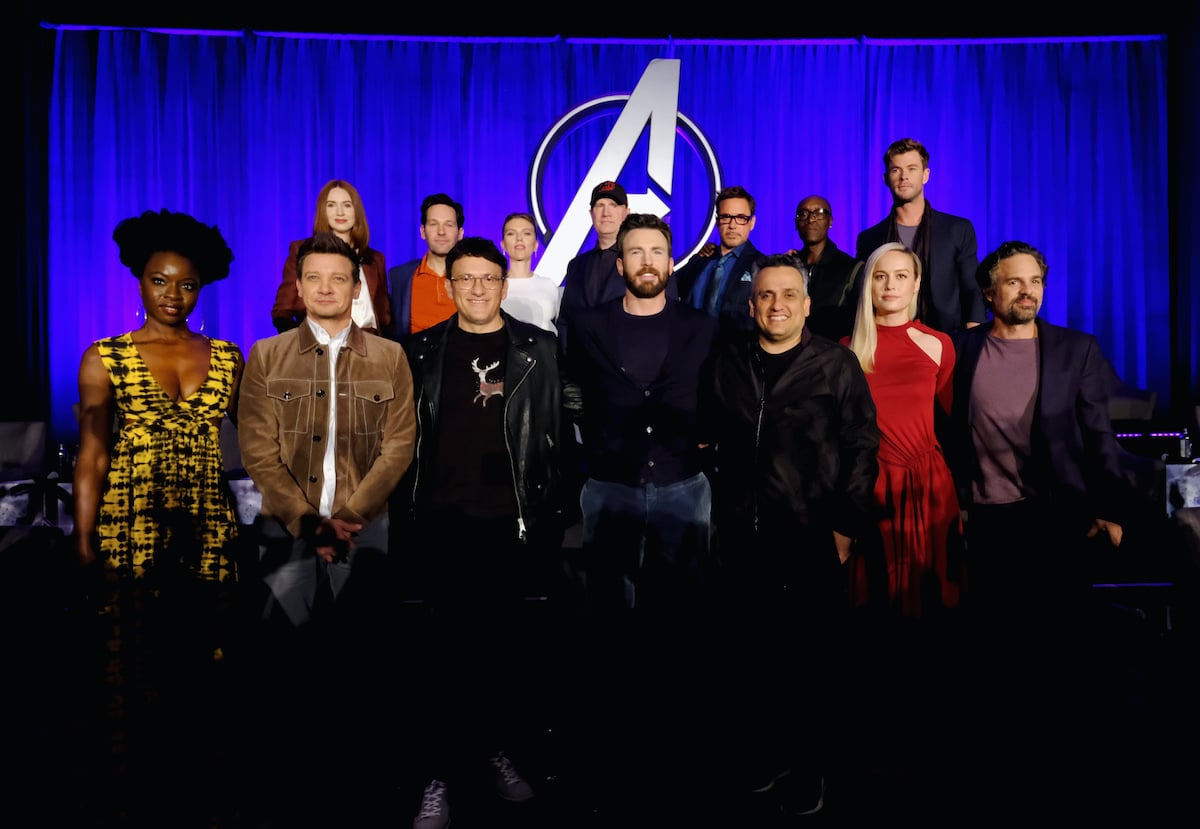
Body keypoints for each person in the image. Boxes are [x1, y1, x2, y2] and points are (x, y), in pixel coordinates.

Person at [944, 240, 1137, 813]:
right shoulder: (962, 347)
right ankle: (1001, 774)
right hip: (986, 519)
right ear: (989, 291)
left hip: (1055, 518)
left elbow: (1100, 436)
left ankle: (1063, 776)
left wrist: (1111, 508)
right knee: (996, 651)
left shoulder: (1076, 349)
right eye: (1013, 282)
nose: (1027, 292)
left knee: (1060, 649)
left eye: (1035, 281)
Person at [236, 231, 417, 826]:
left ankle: (362, 793)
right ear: (298, 284)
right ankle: (291, 793)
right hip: (287, 532)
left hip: (366, 533)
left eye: (338, 278)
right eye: (313, 277)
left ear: (356, 286)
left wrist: (350, 518)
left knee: (364, 666)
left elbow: (399, 446)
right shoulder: (267, 355)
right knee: (286, 670)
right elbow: (258, 451)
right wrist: (310, 521)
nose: (325, 288)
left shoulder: (390, 357)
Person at [73, 208, 243, 826]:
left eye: (187, 284)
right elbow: (92, 455)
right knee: (131, 661)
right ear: (140, 281)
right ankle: (132, 797)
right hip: (130, 524)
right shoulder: (106, 357)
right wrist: (84, 541)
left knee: (205, 659)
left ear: (202, 288)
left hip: (207, 526)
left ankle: (202, 792)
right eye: (160, 280)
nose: (173, 294)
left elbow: (259, 441)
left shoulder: (227, 357)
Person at [398, 236, 567, 829]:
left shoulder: (539, 349)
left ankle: (494, 752)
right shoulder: (420, 351)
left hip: (510, 528)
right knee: (441, 660)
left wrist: (551, 514)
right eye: (465, 278)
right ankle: (440, 774)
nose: (476, 288)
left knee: (500, 656)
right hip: (441, 526)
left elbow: (557, 433)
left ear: (503, 284)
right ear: (449, 285)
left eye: (487, 278)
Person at [706, 253, 879, 818]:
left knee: (811, 662)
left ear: (806, 305)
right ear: (751, 304)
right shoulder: (728, 361)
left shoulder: (835, 364)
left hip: (811, 536)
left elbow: (862, 446)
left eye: (788, 295)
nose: (776, 305)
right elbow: (708, 437)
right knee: (751, 658)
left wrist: (846, 526)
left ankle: (809, 769)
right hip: (743, 536)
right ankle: (763, 757)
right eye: (766, 295)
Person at [561, 212, 719, 821]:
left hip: (683, 485)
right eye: (636, 252)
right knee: (609, 620)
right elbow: (571, 391)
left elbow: (718, 394)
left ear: (670, 261)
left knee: (682, 621)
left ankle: (678, 747)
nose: (647, 261)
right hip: (611, 486)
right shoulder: (587, 323)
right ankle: (613, 749)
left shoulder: (702, 326)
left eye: (657, 251)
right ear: (620, 262)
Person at [843, 242, 964, 618]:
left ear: (916, 283)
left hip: (928, 484)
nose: (890, 285)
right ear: (868, 284)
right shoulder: (847, 350)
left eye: (900, 276)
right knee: (875, 599)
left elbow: (952, 420)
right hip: (871, 485)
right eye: (880, 276)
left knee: (933, 599)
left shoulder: (939, 345)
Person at [855, 137, 986, 332]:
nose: (904, 177)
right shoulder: (870, 239)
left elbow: (972, 288)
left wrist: (973, 336)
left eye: (911, 169)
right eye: (896, 170)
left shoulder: (957, 229)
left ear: (925, 175)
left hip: (949, 335)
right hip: (887, 336)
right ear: (886, 179)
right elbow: (863, 295)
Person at [270, 178, 392, 335]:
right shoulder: (302, 250)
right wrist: (302, 343)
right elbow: (282, 311)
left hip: (369, 341)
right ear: (323, 211)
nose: (340, 212)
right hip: (320, 342)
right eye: (331, 205)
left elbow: (385, 317)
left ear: (357, 211)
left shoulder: (375, 259)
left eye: (347, 205)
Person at [674, 185, 766, 340]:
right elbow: (669, 289)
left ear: (752, 222)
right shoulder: (700, 260)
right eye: (726, 217)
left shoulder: (762, 265)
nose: (732, 225)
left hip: (737, 350)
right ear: (717, 221)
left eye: (741, 218)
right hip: (689, 348)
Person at [389, 192, 465, 342]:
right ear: (423, 231)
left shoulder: (472, 277)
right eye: (433, 224)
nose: (441, 232)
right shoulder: (400, 276)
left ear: (460, 233)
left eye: (449, 225)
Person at [790, 194, 863, 342]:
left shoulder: (850, 268)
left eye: (819, 213)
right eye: (803, 214)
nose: (811, 219)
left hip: (832, 350)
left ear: (830, 221)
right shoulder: (790, 266)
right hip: (791, 348)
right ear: (796, 223)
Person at [498, 211, 562, 334]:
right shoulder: (494, 285)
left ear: (536, 245)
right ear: (503, 245)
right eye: (511, 233)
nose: (519, 238)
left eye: (526, 233)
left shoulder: (548, 285)